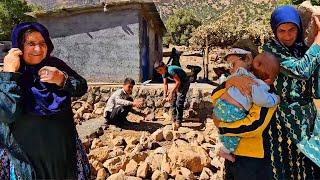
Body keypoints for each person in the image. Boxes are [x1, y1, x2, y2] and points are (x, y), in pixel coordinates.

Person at [217, 6, 320, 179]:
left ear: (299, 28)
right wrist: (318, 40)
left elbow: (316, 87)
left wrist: (314, 42)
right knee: (283, 168)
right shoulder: (271, 50)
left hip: (308, 121)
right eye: (282, 31)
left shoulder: (304, 50)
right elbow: (302, 70)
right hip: (281, 120)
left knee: (311, 168)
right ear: (275, 30)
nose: (287, 35)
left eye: (292, 29)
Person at [3, 22, 90, 179]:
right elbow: (6, 113)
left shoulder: (55, 65)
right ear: (18, 46)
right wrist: (9, 75)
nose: (38, 49)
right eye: (31, 43)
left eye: (42, 43)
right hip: (27, 162)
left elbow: (82, 87)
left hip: (62, 156)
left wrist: (62, 79)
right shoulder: (9, 73)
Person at [213, 51, 280, 162]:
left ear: (249, 59)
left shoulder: (242, 75)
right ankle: (225, 150)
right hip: (233, 114)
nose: (230, 69)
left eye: (232, 64)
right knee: (232, 137)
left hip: (249, 156)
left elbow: (255, 124)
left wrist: (221, 126)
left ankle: (224, 148)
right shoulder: (258, 85)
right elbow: (262, 101)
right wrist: (276, 99)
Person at [155, 61, 190, 130]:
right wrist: (165, 96)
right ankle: (173, 120)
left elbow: (178, 82)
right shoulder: (164, 72)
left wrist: (171, 93)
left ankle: (178, 122)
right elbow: (165, 84)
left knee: (179, 103)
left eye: (160, 70)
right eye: (158, 71)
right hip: (178, 83)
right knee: (173, 101)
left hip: (184, 83)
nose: (159, 72)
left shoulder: (170, 70)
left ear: (164, 67)